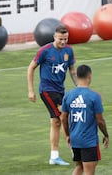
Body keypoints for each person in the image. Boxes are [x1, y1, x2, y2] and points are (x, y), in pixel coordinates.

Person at [27, 25, 77, 166]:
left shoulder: (69, 50)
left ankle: (54, 156)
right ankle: (73, 147)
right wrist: (30, 90)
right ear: (54, 37)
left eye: (66, 39)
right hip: (47, 90)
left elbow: (72, 71)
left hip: (60, 90)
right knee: (62, 117)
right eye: (61, 39)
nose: (63, 42)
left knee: (56, 122)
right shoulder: (45, 51)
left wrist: (80, 87)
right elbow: (31, 68)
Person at [61, 64, 109, 175]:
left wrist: (68, 135)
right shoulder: (94, 96)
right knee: (89, 171)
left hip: (75, 139)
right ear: (89, 76)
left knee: (79, 167)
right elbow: (100, 121)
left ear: (77, 76)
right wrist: (106, 134)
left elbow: (63, 117)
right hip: (88, 141)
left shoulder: (68, 95)